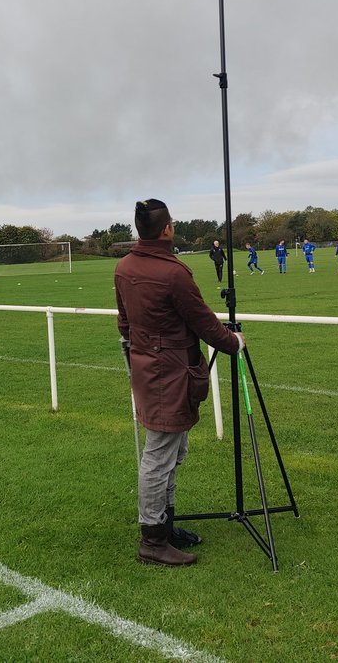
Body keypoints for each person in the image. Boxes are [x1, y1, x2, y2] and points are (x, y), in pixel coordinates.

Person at [115, 199, 245, 567]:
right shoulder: (173, 273)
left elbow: (124, 322)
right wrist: (233, 342)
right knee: (159, 456)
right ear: (167, 229)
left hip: (150, 367)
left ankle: (165, 525)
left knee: (171, 451)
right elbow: (203, 322)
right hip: (168, 371)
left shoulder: (124, 267)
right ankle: (152, 540)